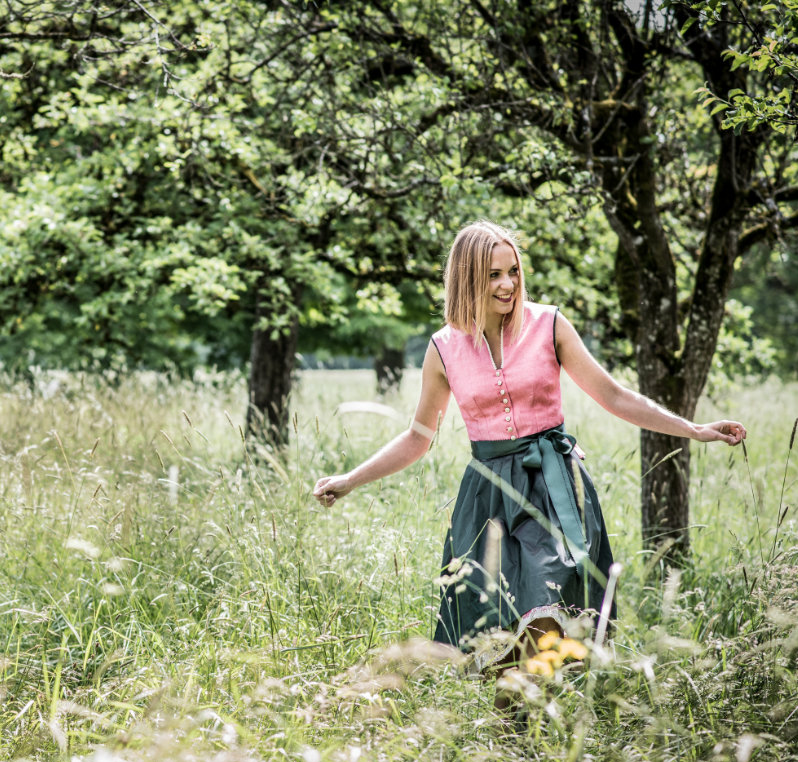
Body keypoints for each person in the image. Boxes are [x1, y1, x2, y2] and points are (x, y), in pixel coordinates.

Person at [312, 221, 745, 681]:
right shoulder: (443, 349)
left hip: (552, 488)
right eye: (494, 274)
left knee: (543, 616)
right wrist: (348, 480)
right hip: (487, 498)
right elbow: (418, 437)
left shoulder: (549, 325)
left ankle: (517, 730)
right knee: (496, 640)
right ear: (467, 277)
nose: (508, 284)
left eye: (513, 271)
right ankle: (516, 740)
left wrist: (694, 430)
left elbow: (615, 396)